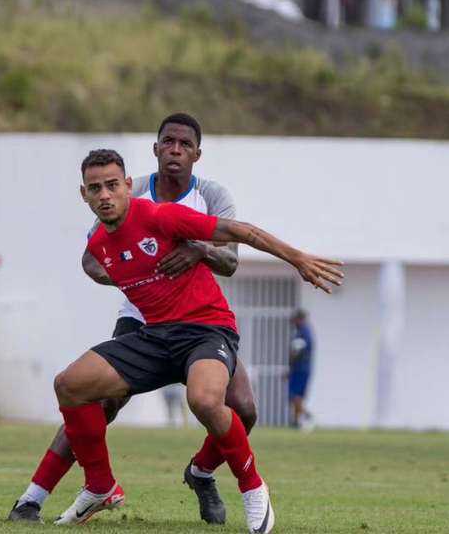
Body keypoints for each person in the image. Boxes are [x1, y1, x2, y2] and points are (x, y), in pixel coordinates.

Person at [50, 149, 343, 533]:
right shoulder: (98, 247)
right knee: (69, 385)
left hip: (207, 328)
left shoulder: (159, 215)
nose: (104, 195)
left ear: (126, 186)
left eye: (111, 185)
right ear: (83, 195)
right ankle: (100, 486)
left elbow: (240, 232)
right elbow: (95, 264)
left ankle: (253, 488)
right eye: (94, 188)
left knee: (205, 400)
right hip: (154, 336)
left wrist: (297, 259)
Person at [9, 113, 257, 526]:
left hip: (197, 323)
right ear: (155, 148)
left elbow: (230, 261)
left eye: (184, 144)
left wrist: (199, 251)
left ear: (197, 152)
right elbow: (92, 256)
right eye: (168, 142)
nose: (175, 150)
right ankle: (32, 499)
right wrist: (140, 281)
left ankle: (202, 473)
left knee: (243, 408)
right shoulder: (126, 190)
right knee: (94, 401)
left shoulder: (212, 194)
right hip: (140, 322)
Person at [288, 309, 315, 431]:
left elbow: (296, 352)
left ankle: (307, 416)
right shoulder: (304, 332)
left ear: (299, 319)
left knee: (295, 395)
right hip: (303, 368)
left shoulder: (303, 333)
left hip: (300, 368)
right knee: (297, 396)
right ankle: (296, 422)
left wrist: (291, 366)